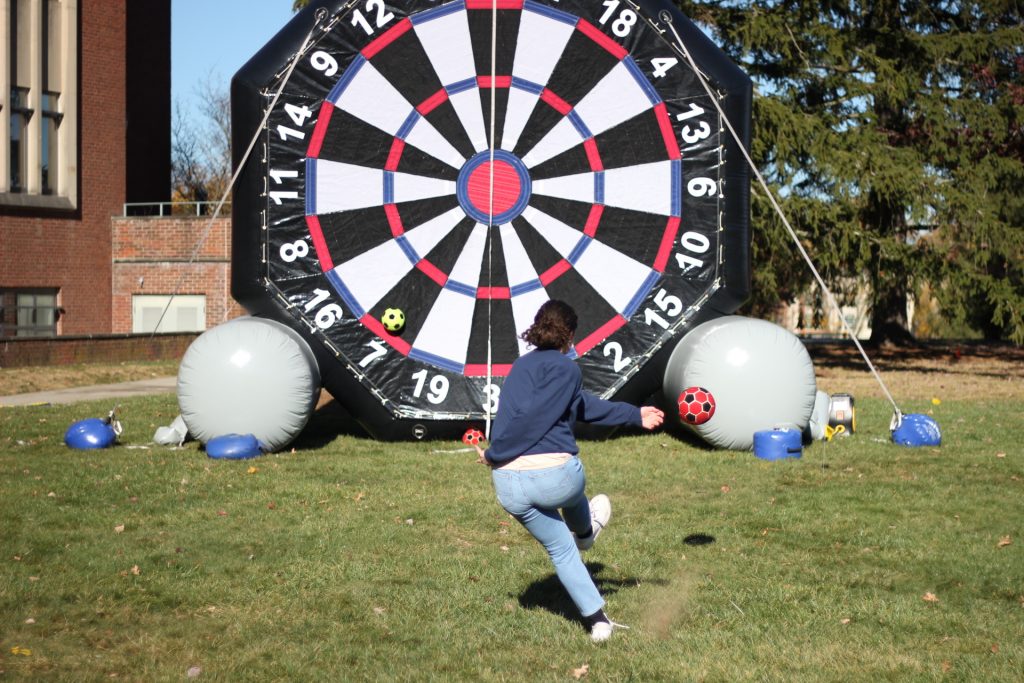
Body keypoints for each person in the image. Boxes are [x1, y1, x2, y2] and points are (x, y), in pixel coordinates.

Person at [472, 300, 665, 642]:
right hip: (555, 479)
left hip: (509, 487)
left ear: (537, 328)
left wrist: (634, 414)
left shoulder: (519, 368)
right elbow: (533, 420)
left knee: (562, 549)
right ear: (571, 336)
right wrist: (493, 452)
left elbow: (580, 405)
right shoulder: (567, 369)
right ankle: (586, 532)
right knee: (571, 488)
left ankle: (599, 622)